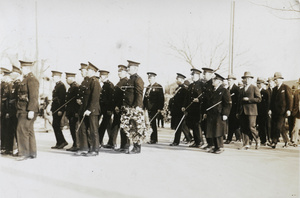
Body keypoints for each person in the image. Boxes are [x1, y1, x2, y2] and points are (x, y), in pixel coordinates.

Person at [15, 60, 39, 161]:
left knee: (22, 129)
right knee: (28, 130)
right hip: (24, 108)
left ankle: (24, 153)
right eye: (21, 67)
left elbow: (34, 96)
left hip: (27, 109)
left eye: (23, 68)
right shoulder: (26, 79)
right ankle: (31, 152)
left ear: (28, 68)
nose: (21, 69)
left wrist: (31, 110)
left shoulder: (31, 79)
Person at [120, 60, 145, 154]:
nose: (127, 69)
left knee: (136, 127)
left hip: (134, 108)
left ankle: (137, 148)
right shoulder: (130, 79)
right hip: (127, 108)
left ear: (135, 68)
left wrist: (137, 107)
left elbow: (139, 94)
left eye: (129, 68)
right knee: (128, 127)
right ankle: (127, 146)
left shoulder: (138, 79)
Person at [205, 73, 231, 154]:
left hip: (219, 114)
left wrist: (225, 114)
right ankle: (215, 147)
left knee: (218, 131)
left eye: (215, 80)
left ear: (219, 82)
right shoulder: (213, 90)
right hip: (211, 114)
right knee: (213, 130)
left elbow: (228, 103)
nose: (213, 81)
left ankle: (220, 147)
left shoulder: (224, 90)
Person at [80, 62, 101, 156]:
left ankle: (95, 149)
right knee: (87, 129)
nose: (86, 71)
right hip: (87, 110)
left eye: (88, 70)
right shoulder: (89, 81)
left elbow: (95, 98)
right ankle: (89, 148)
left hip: (93, 110)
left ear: (93, 71)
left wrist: (90, 109)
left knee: (93, 130)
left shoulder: (95, 82)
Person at [237, 71, 261, 150]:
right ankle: (246, 144)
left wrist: (249, 99)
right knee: (244, 128)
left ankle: (257, 140)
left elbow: (259, 99)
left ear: (251, 79)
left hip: (252, 111)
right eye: (245, 79)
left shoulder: (254, 88)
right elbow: (239, 101)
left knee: (251, 127)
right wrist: (238, 112)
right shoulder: (241, 89)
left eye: (248, 79)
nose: (246, 80)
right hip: (242, 111)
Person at [268, 72, 293, 148]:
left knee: (278, 127)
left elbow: (290, 100)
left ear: (281, 79)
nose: (276, 81)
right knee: (280, 127)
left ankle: (274, 142)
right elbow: (272, 101)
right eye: (275, 79)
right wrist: (270, 109)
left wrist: (289, 109)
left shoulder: (286, 87)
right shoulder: (274, 89)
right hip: (275, 111)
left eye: (277, 79)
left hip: (283, 111)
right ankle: (287, 141)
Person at [182, 68, 204, 147]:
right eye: (192, 75)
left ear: (198, 75)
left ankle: (200, 141)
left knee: (197, 125)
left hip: (198, 108)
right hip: (191, 108)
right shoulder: (191, 85)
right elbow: (187, 97)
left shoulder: (202, 85)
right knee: (192, 125)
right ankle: (196, 141)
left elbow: (204, 96)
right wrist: (184, 106)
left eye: (194, 75)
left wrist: (199, 99)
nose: (192, 77)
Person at [110, 65, 129, 152]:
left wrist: (118, 105)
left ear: (125, 72)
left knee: (122, 127)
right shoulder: (120, 81)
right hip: (117, 108)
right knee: (115, 125)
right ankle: (112, 143)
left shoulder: (126, 82)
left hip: (121, 108)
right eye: (118, 71)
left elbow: (123, 97)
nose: (119, 73)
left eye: (121, 72)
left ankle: (124, 146)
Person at [169, 73, 193, 146]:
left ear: (182, 80)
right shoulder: (178, 88)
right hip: (176, 110)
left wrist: (184, 108)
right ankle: (190, 138)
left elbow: (185, 100)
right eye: (177, 78)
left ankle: (176, 141)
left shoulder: (184, 89)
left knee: (179, 126)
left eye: (178, 79)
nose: (177, 80)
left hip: (180, 110)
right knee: (182, 126)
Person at [74, 63, 92, 156]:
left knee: (85, 128)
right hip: (81, 108)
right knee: (82, 128)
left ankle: (86, 147)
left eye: (82, 71)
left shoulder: (90, 81)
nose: (81, 73)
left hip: (86, 109)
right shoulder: (84, 81)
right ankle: (83, 147)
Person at [143, 72, 164, 144]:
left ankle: (154, 139)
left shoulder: (158, 86)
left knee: (153, 123)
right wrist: (144, 106)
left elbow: (161, 98)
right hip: (148, 108)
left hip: (155, 108)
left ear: (154, 78)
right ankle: (152, 138)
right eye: (148, 78)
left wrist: (160, 108)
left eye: (151, 78)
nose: (149, 79)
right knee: (150, 123)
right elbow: (145, 98)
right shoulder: (148, 87)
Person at [6, 66, 22, 155]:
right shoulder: (13, 84)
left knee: (17, 130)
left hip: (16, 110)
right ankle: (14, 148)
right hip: (12, 110)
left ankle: (19, 149)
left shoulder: (18, 84)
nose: (11, 74)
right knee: (12, 129)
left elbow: (17, 98)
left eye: (12, 73)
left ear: (17, 74)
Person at [50, 70, 68, 149]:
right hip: (55, 109)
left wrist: (61, 109)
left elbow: (62, 99)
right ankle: (59, 142)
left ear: (58, 77)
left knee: (56, 125)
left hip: (58, 109)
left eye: (54, 76)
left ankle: (62, 141)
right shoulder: (57, 85)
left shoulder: (61, 86)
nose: (52, 78)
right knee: (55, 125)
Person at [98, 70, 114, 148]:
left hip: (107, 109)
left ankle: (100, 141)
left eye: (101, 76)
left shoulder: (109, 85)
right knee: (107, 125)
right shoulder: (104, 85)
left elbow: (111, 99)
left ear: (106, 76)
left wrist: (110, 109)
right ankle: (111, 142)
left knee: (104, 125)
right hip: (103, 108)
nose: (100, 77)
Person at [65, 72, 80, 152]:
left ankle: (77, 145)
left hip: (74, 112)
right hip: (70, 112)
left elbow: (77, 101)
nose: (66, 80)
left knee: (75, 128)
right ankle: (75, 144)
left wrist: (76, 112)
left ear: (72, 78)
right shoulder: (71, 87)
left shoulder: (76, 87)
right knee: (72, 128)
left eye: (67, 78)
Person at [201, 67, 215, 150]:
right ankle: (209, 143)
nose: (204, 75)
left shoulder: (212, 84)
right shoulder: (206, 84)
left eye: (205, 74)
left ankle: (212, 144)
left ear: (210, 74)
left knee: (210, 127)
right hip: (205, 108)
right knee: (205, 127)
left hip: (210, 108)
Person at [225, 74, 241, 144]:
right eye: (228, 80)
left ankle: (234, 138)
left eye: (230, 80)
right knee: (231, 124)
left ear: (233, 80)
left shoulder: (236, 89)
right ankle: (234, 138)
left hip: (234, 109)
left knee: (234, 124)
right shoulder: (227, 89)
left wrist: (238, 111)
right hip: (229, 109)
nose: (229, 81)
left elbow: (238, 101)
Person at [0, 69, 12, 155]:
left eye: (3, 75)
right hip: (3, 110)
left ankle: (7, 147)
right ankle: (3, 146)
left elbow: (9, 100)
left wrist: (6, 111)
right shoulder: (3, 85)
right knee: (3, 129)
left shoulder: (9, 85)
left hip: (6, 110)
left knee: (6, 129)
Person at [256, 77, 270, 146]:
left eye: (260, 83)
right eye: (258, 83)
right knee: (256, 126)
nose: (259, 85)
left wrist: (267, 111)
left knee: (263, 126)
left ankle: (263, 140)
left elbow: (268, 102)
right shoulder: (256, 91)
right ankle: (257, 139)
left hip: (263, 112)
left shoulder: (265, 92)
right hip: (256, 111)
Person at [291, 78, 300, 146]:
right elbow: (293, 103)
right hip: (298, 113)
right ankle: (295, 141)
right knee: (296, 127)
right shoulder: (296, 92)